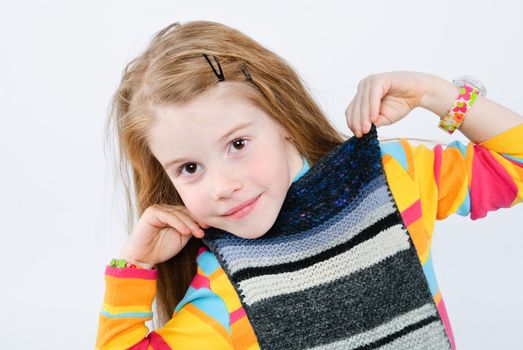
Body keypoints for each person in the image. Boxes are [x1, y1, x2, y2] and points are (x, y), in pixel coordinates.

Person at [95, 20, 523, 350]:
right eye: (189, 168)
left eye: (237, 144)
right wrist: (134, 266)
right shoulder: (225, 290)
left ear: (282, 117)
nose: (222, 186)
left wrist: (434, 92)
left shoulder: (390, 177)